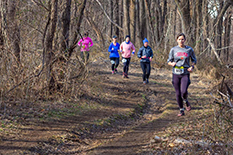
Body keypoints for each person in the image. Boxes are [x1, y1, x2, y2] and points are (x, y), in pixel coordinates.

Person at [167, 33, 197, 116]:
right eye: (179, 39)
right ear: (177, 40)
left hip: (185, 73)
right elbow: (168, 61)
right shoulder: (173, 50)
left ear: (185, 40)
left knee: (183, 91)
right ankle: (181, 110)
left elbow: (194, 60)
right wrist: (171, 63)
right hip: (176, 73)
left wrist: (192, 67)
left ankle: (186, 101)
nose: (181, 41)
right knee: (178, 93)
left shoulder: (189, 49)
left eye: (182, 39)